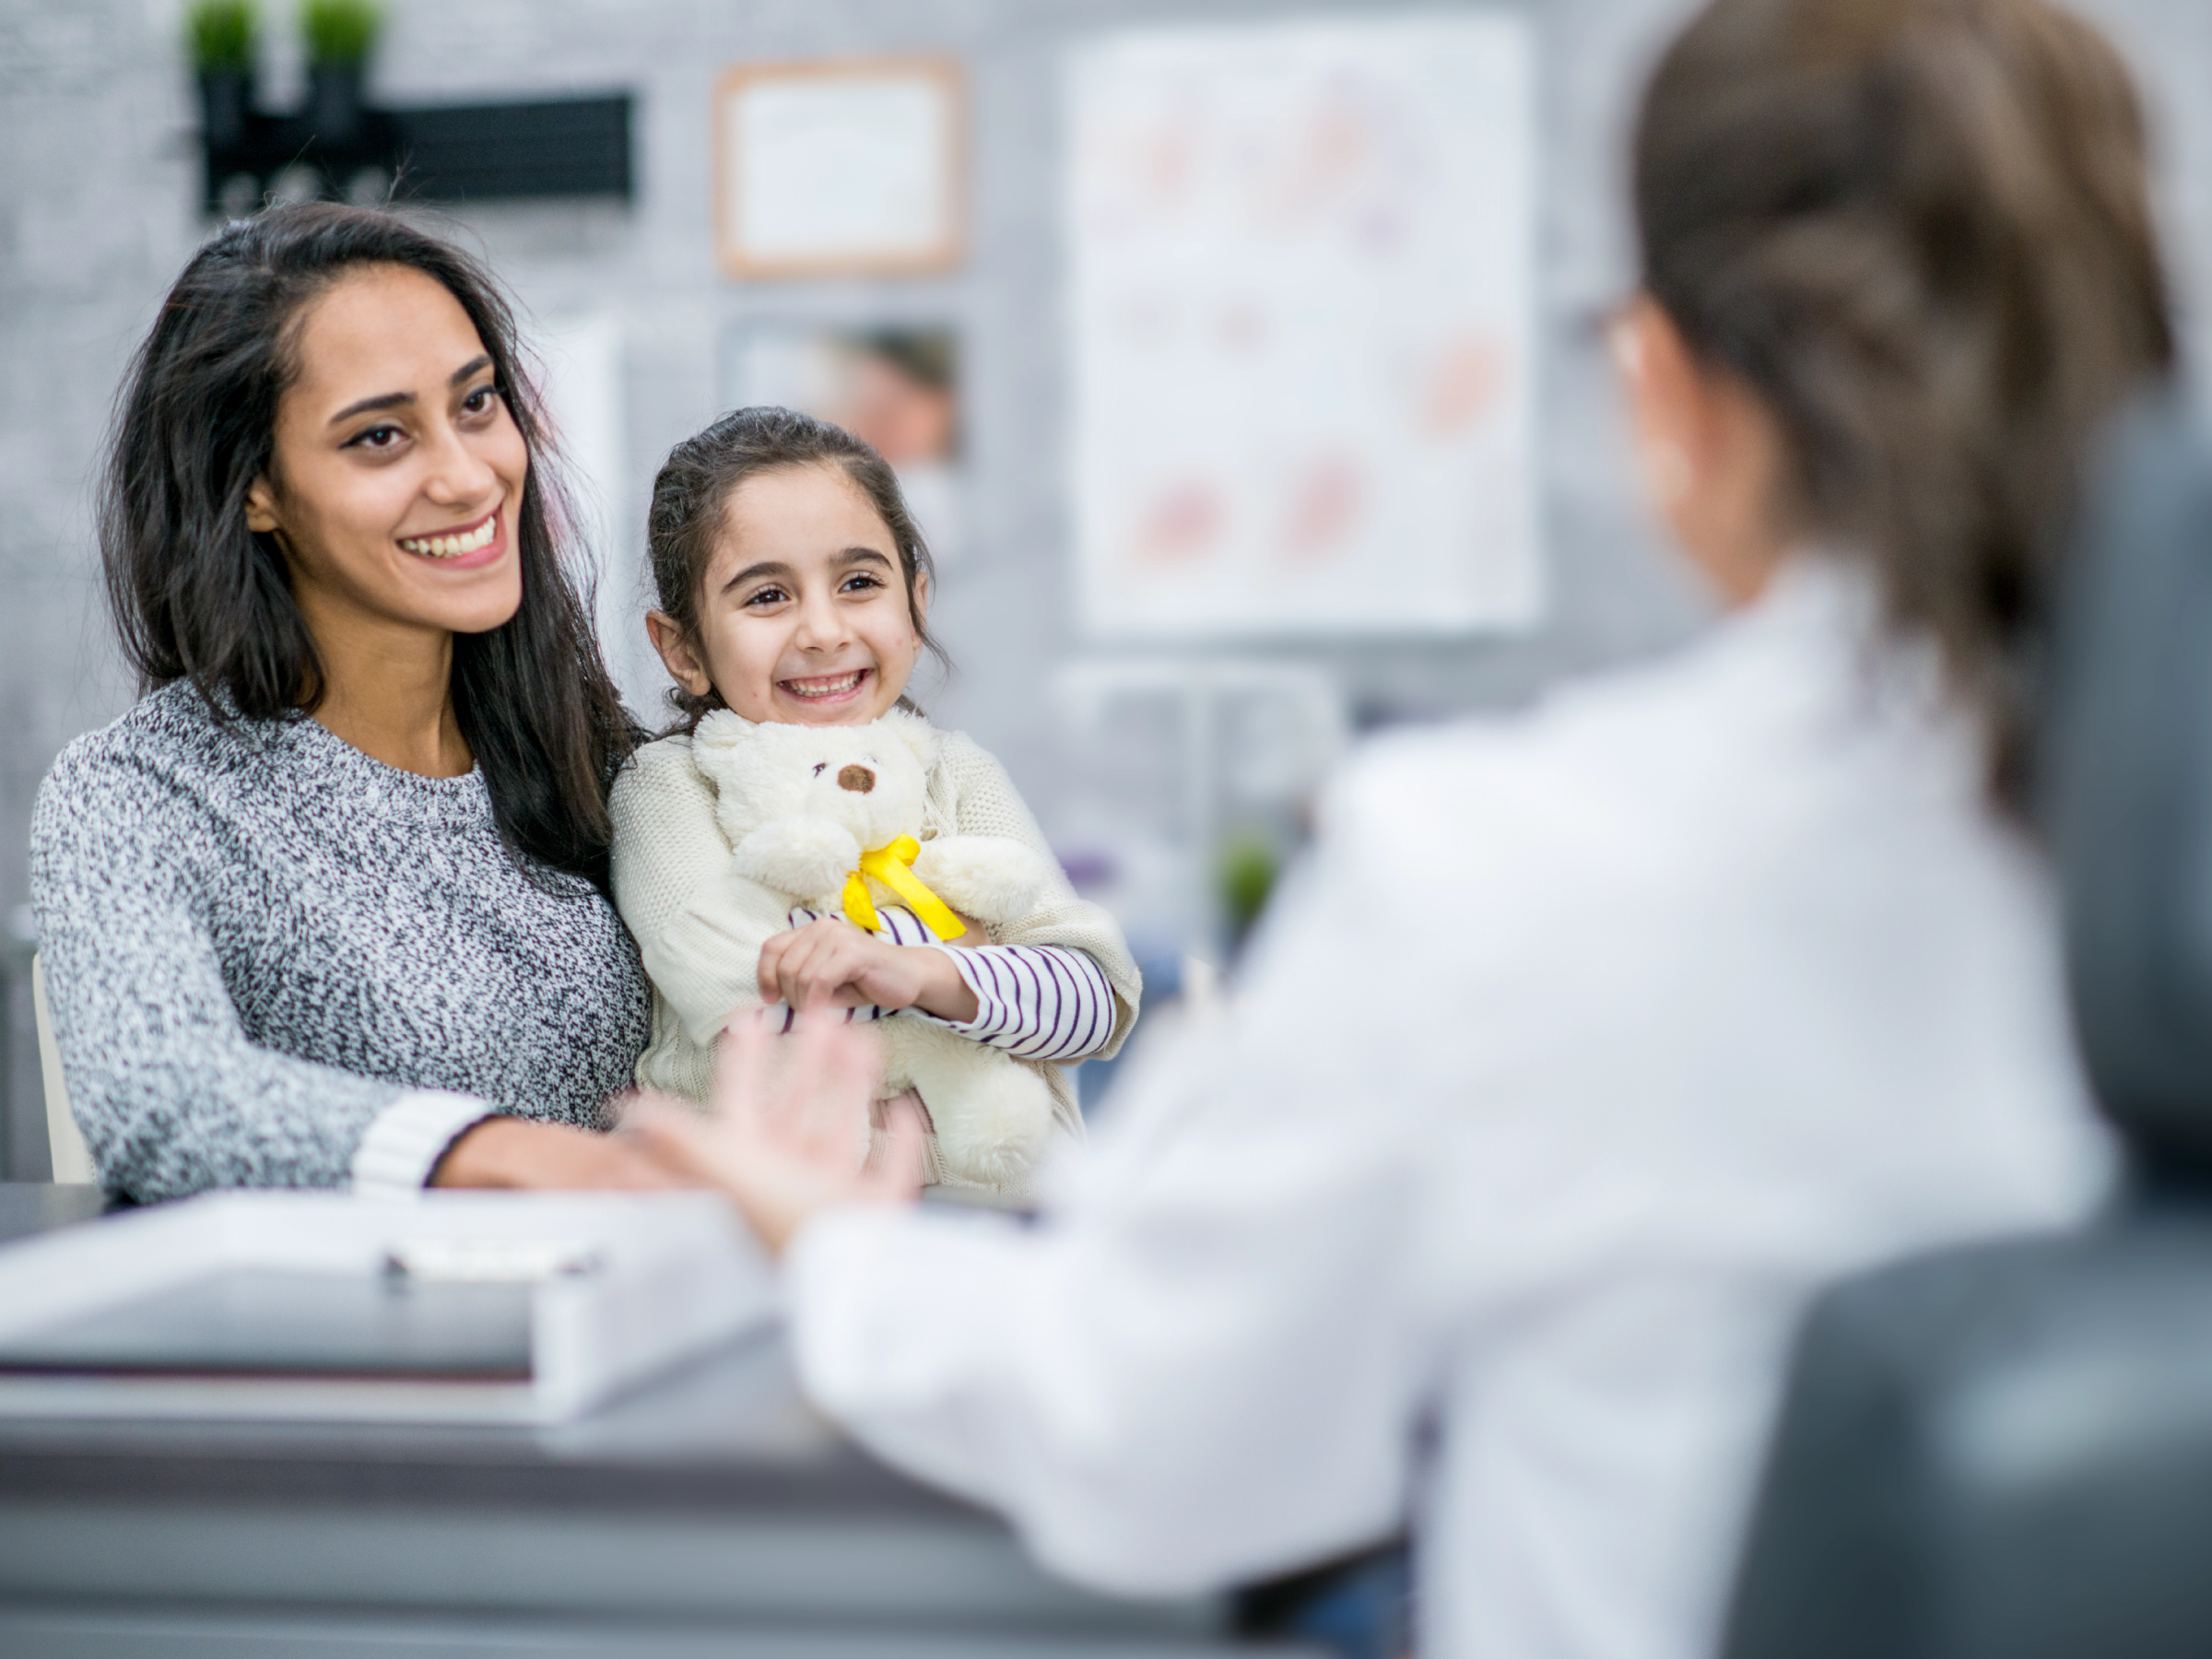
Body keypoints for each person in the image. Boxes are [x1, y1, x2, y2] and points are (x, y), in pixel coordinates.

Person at [625, 1, 2171, 1653]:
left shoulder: (1488, 871)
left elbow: (1148, 1428)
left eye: (860, 581)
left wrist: (839, 1257)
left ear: (1666, 388)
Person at [31, 204, 674, 1200]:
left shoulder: (580, 743)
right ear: (254, 489)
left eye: (476, 403)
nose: (469, 476)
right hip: (355, 1349)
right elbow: (162, 1100)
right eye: (380, 437)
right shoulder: (140, 792)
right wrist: (508, 1154)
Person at [610, 406, 1138, 1193]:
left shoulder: (958, 774)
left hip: (998, 1239)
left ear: (915, 605)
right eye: (766, 598)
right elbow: (737, 983)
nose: (823, 630)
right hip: (778, 1238)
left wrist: (912, 970)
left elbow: (1094, 998)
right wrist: (981, 964)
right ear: (683, 648)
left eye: (859, 583)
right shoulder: (670, 787)